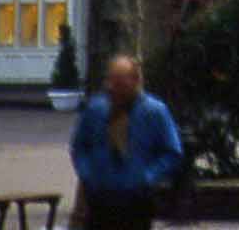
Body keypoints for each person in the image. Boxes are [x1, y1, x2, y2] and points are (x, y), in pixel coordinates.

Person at [70, 54, 183, 230]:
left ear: (135, 81)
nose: (114, 91)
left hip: (135, 197)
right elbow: (79, 146)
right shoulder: (96, 109)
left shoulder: (154, 112)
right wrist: (87, 174)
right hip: (100, 195)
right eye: (111, 83)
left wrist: (149, 176)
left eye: (121, 85)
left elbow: (172, 152)